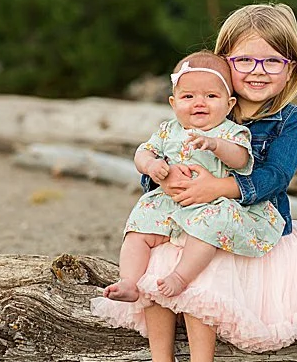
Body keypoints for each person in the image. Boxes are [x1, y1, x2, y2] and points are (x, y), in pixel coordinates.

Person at [90, 4, 297, 362]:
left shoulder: (287, 119)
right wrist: (165, 177)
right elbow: (161, 154)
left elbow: (276, 176)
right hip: (187, 221)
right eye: (244, 60)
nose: (258, 70)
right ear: (223, 65)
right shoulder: (205, 103)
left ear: (291, 69)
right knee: (158, 263)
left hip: (247, 227)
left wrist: (217, 186)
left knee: (203, 276)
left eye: (273, 60)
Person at [101, 52, 281, 303]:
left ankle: (181, 277)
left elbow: (241, 159)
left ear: (229, 104)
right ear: (173, 104)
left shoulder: (231, 131)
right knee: (138, 228)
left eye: (211, 96)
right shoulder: (168, 130)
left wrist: (215, 145)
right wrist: (152, 165)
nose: (199, 103)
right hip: (171, 201)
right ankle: (129, 281)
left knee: (211, 228)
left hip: (212, 203)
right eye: (188, 96)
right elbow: (142, 152)